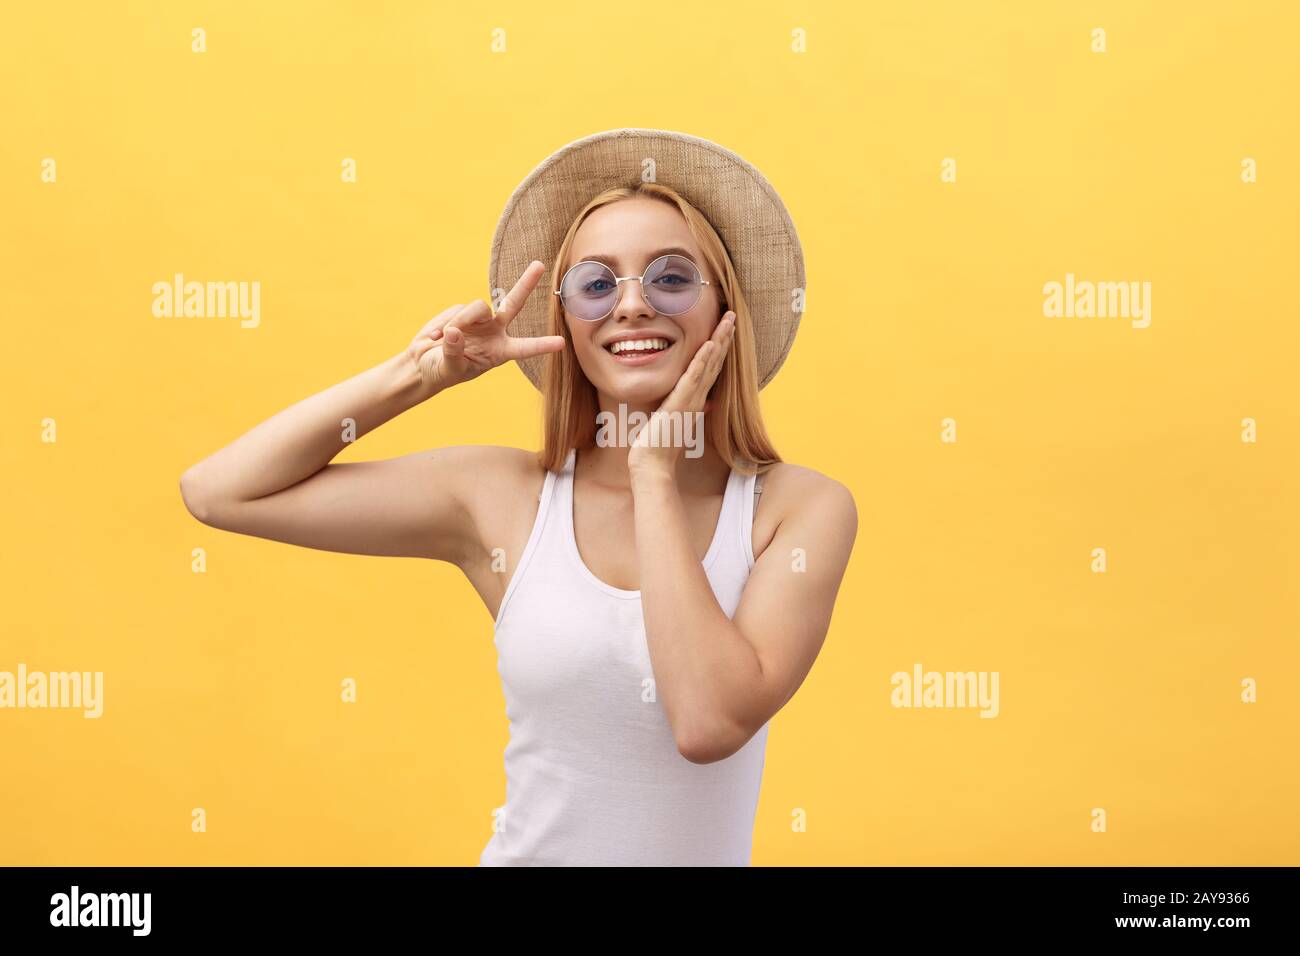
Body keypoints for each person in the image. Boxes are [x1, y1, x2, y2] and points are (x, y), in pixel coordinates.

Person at [179, 129, 857, 866]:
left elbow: (706, 723)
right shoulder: (502, 499)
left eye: (669, 277)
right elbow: (219, 492)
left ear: (726, 309)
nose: (631, 306)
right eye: (597, 285)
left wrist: (654, 475)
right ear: (566, 321)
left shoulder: (796, 510)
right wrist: (420, 372)